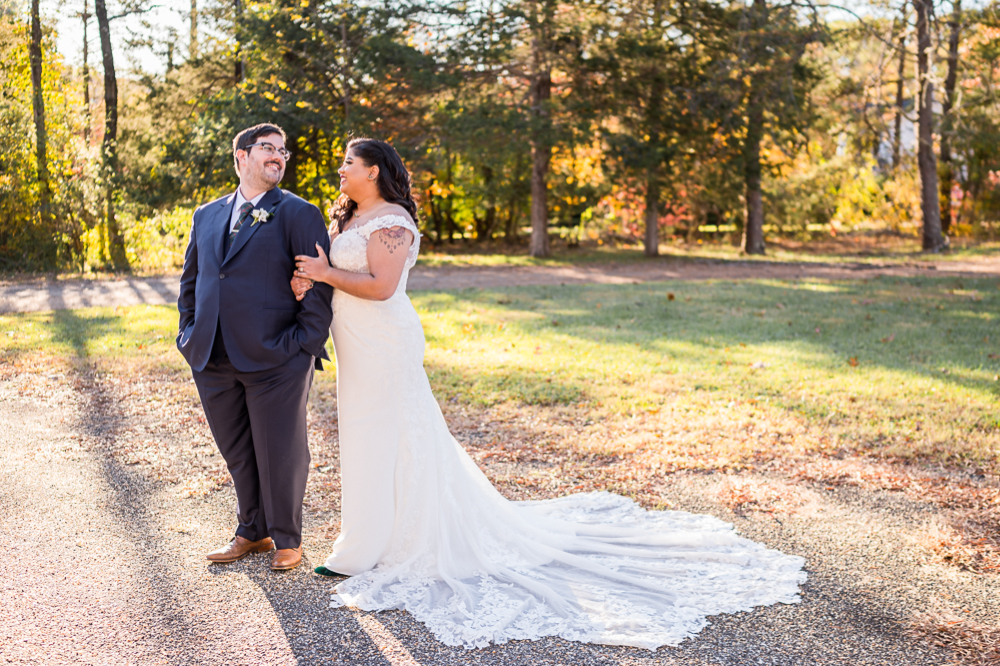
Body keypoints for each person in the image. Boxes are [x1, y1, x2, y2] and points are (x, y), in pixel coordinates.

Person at [291, 138, 806, 650]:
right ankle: (365, 541)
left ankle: (385, 543)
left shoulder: (393, 221)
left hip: (386, 340)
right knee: (364, 436)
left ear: (375, 171)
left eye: (348, 164)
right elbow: (333, 276)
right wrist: (309, 281)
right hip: (355, 343)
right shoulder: (347, 219)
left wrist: (324, 272)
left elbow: (381, 288)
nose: (341, 170)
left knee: (397, 433)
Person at [177, 123, 334, 572]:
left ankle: (287, 537)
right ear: (241, 157)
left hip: (277, 356)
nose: (278, 157)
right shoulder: (206, 215)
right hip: (211, 354)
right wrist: (187, 334)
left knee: (280, 448)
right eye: (268, 148)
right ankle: (252, 531)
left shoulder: (299, 213)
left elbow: (319, 287)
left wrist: (304, 344)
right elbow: (193, 280)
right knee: (238, 449)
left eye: (283, 151)